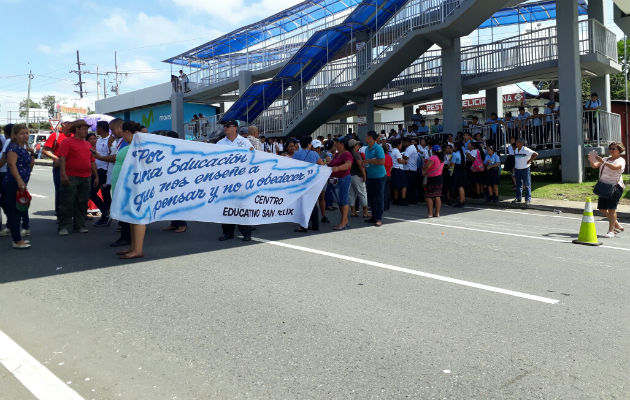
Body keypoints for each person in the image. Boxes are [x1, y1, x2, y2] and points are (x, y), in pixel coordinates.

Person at [110, 121, 146, 259]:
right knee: (131, 217)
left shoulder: (139, 147)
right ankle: (134, 247)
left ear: (126, 132)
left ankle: (138, 250)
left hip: (135, 186)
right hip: (128, 186)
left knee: (137, 217)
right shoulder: (134, 146)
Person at [57, 120, 99, 235]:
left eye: (87, 129)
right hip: (71, 176)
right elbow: (62, 159)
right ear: (77, 129)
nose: (86, 131)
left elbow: (92, 161)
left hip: (86, 177)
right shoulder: (67, 142)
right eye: (84, 129)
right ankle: (64, 226)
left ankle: (79, 225)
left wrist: (96, 176)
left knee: (82, 202)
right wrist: (63, 174)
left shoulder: (87, 144)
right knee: (67, 202)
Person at [217, 119, 255, 241]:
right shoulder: (220, 143)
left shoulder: (245, 143)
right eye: (224, 126)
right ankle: (227, 232)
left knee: (242, 206)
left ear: (235, 128)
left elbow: (253, 159)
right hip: (226, 181)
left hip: (241, 180)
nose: (225, 128)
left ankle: (246, 232)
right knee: (226, 206)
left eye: (228, 125)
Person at [2, 124, 33, 248]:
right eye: (22, 133)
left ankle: (17, 237)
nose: (25, 135)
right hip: (13, 184)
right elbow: (11, 165)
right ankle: (17, 240)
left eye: (26, 133)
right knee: (15, 212)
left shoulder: (23, 148)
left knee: (18, 211)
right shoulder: (13, 148)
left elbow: (30, 165)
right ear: (15, 135)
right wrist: (20, 181)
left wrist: (32, 153)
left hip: (21, 184)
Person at [588, 143, 626, 238]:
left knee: (611, 210)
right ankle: (616, 223)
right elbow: (595, 165)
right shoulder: (606, 159)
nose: (611, 150)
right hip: (603, 186)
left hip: (615, 187)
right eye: (610, 148)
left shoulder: (621, 160)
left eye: (614, 149)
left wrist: (603, 162)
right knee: (602, 208)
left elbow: (616, 167)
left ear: (619, 150)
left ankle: (611, 231)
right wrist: (591, 160)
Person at [41, 116, 74, 220]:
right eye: (70, 123)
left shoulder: (75, 136)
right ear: (64, 124)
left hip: (72, 167)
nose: (72, 125)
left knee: (72, 190)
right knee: (60, 190)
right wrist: (56, 158)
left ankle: (71, 213)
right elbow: (45, 150)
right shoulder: (56, 135)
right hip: (59, 167)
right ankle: (60, 213)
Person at [292, 136, 324, 232]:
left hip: (301, 182)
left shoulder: (297, 154)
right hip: (313, 181)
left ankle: (303, 225)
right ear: (309, 144)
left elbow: (292, 167)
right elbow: (322, 165)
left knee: (303, 204)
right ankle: (315, 224)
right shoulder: (314, 154)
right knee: (313, 203)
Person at [327, 137, 353, 230]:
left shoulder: (347, 154)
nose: (334, 145)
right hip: (336, 179)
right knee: (340, 201)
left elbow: (348, 165)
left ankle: (343, 223)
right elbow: (331, 164)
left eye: (336, 143)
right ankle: (345, 221)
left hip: (343, 179)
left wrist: (338, 168)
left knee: (343, 201)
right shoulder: (337, 154)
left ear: (341, 144)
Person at [362, 131, 386, 226]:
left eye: (367, 136)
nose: (365, 137)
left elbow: (382, 161)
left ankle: (379, 218)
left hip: (379, 176)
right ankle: (373, 216)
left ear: (371, 137)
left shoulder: (378, 148)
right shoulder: (367, 149)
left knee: (379, 197)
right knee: (371, 197)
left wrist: (368, 161)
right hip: (371, 176)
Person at [512, 137, 538, 205]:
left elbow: (536, 154)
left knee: (527, 185)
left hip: (525, 169)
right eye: (516, 142)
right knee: (518, 185)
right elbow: (517, 159)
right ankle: (518, 198)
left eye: (518, 142)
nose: (516, 143)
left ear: (522, 143)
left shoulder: (526, 150)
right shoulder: (516, 150)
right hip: (517, 169)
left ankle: (528, 199)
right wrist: (515, 167)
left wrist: (530, 160)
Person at [347, 139, 369, 218]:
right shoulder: (356, 154)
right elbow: (360, 165)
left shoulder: (348, 154)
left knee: (351, 194)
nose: (358, 146)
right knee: (362, 193)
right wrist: (364, 175)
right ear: (355, 146)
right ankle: (365, 212)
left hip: (350, 175)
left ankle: (353, 211)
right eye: (357, 145)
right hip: (357, 175)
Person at [422, 145, 444, 218]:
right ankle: (437, 213)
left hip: (432, 178)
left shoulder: (433, 157)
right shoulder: (442, 158)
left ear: (433, 151)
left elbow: (427, 166)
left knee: (429, 196)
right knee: (437, 196)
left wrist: (424, 167)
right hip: (439, 178)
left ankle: (430, 213)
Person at [0, 124, 14, 237]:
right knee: (7, 200)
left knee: (6, 201)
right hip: (7, 174)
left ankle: (11, 224)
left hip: (4, 173)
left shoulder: (7, 141)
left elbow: (4, 159)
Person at [402, 136, 420, 204]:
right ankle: (413, 199)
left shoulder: (410, 148)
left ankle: (410, 199)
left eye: (404, 142)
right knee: (412, 185)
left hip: (409, 169)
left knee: (409, 185)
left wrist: (401, 155)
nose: (403, 144)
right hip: (412, 169)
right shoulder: (411, 147)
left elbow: (406, 157)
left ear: (407, 142)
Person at [390, 139, 407, 205]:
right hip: (399, 169)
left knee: (396, 186)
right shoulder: (397, 151)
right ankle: (403, 199)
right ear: (398, 145)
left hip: (394, 169)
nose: (401, 145)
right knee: (404, 185)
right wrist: (405, 161)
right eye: (401, 144)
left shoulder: (393, 151)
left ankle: (396, 199)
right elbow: (399, 161)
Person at [451, 142, 466, 208]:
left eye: (454, 146)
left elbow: (452, 164)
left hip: (458, 171)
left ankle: (461, 202)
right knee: (462, 186)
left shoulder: (455, 154)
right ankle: (463, 200)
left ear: (456, 147)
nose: (453, 147)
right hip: (463, 170)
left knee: (460, 187)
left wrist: (450, 172)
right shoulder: (463, 154)